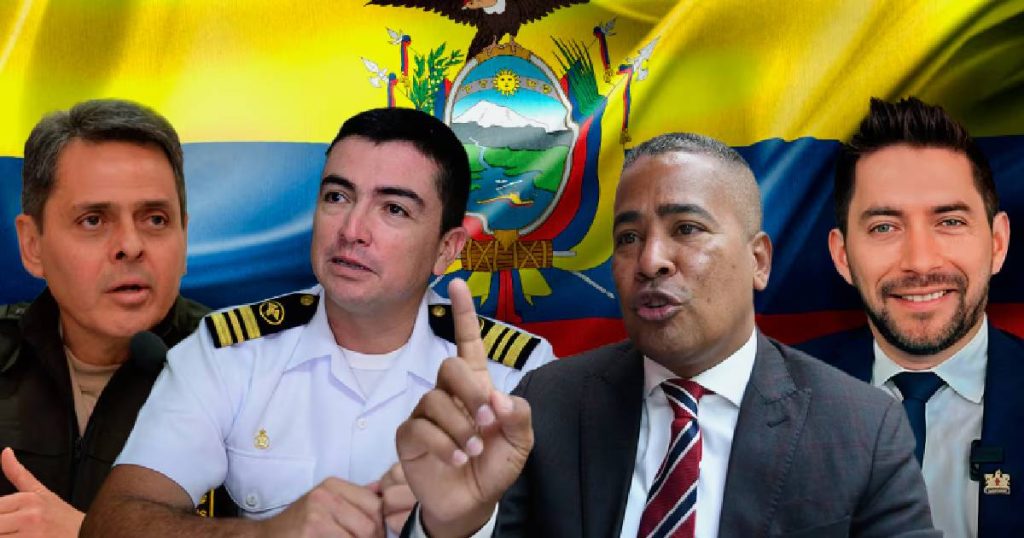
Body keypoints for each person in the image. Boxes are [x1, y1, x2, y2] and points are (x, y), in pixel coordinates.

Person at [396, 132, 939, 537]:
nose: (650, 260)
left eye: (687, 229)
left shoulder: (863, 429)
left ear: (758, 261)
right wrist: (454, 525)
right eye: (629, 237)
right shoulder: (549, 403)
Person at [81, 107, 555, 537]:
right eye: (337, 196)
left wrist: (451, 527)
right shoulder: (228, 353)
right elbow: (111, 522)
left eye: (394, 209)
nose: (351, 230)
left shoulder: (519, 377)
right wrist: (268, 536)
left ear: (446, 250)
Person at [797, 97, 1022, 538]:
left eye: (950, 222)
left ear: (997, 243)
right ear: (842, 256)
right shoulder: (770, 399)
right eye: (884, 227)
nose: (919, 262)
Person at [0, 99, 210, 537]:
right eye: (93, 220)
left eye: (156, 219)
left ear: (184, 237)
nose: (131, 245)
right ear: (32, 245)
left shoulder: (251, 370)